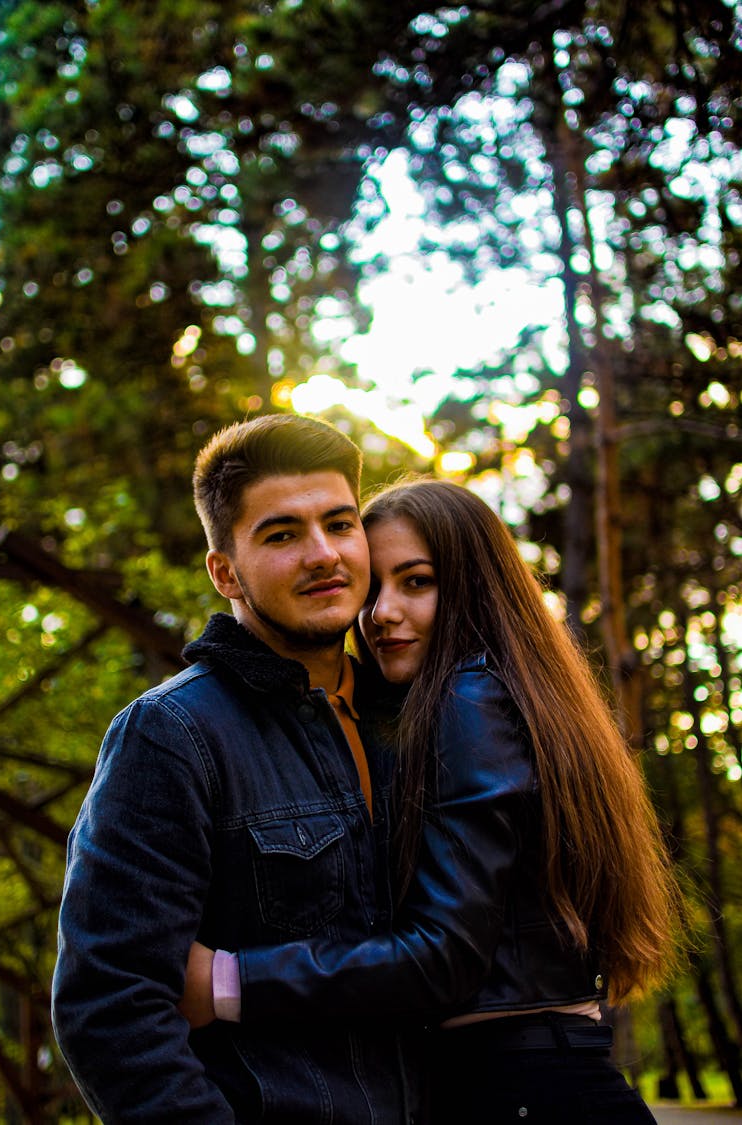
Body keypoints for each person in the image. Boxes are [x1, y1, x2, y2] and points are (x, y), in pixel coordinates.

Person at [181, 477, 681, 1124]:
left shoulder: (467, 700)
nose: (381, 612)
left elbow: (443, 957)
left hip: (523, 1089)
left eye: (416, 582)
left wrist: (225, 982)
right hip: (543, 1077)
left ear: (475, 587)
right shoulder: (509, 696)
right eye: (373, 589)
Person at [51, 415, 423, 1124]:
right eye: (281, 535)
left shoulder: (410, 719)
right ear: (225, 571)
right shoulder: (170, 734)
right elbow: (111, 1007)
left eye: (340, 524)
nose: (324, 554)